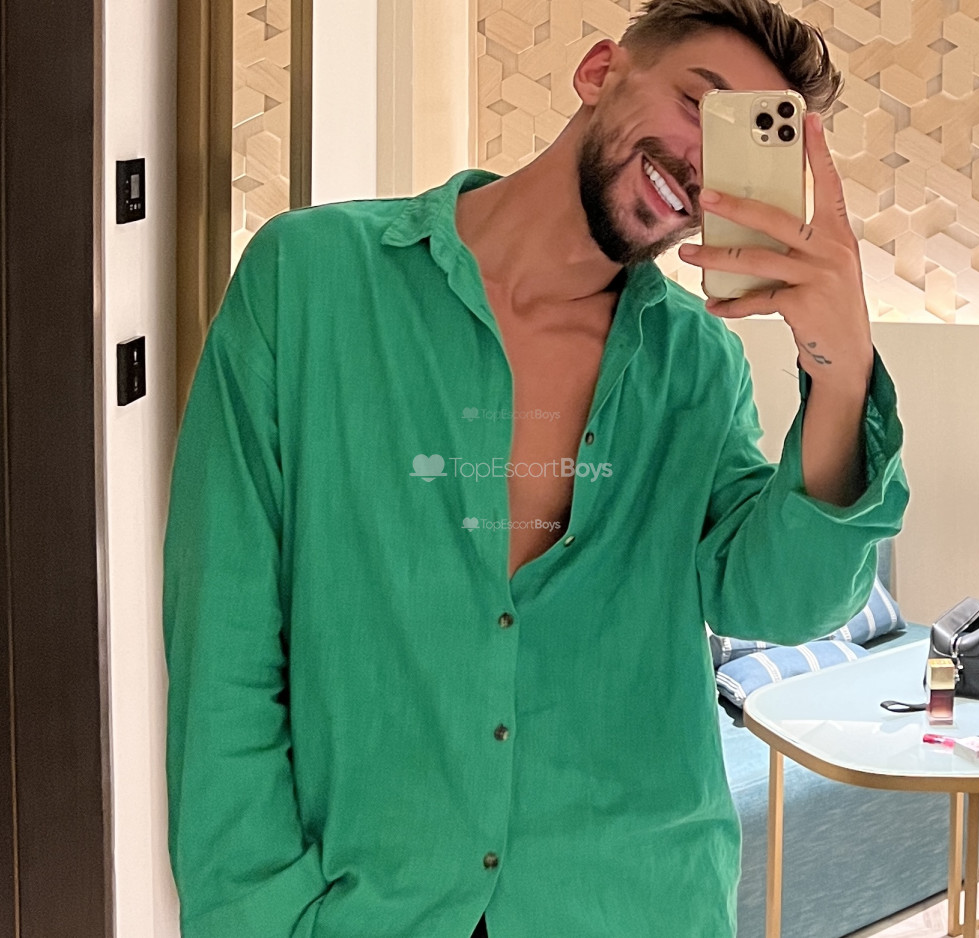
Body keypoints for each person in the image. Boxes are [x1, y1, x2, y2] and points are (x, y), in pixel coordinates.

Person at [162, 0, 909, 935]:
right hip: (367, 903)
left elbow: (782, 599)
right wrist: (253, 911)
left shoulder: (695, 367)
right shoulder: (308, 281)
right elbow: (224, 636)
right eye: (699, 105)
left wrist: (840, 370)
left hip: (636, 903)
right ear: (600, 73)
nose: (702, 163)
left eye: (745, 147)